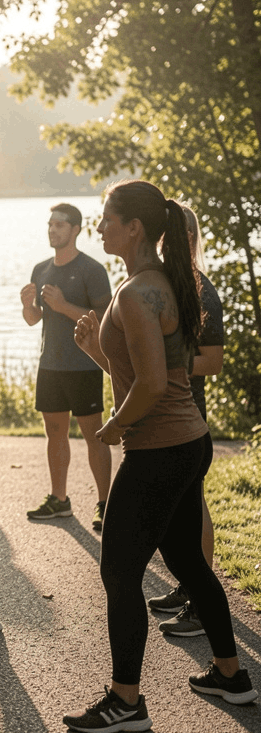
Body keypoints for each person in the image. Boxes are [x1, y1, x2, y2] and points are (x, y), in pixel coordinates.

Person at [62, 180, 255, 733]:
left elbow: (148, 386)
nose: (99, 228)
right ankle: (231, 675)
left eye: (105, 219)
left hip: (159, 451)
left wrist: (113, 426)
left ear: (134, 228)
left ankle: (125, 702)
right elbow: (151, 373)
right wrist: (97, 350)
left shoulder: (136, 292)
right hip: (186, 444)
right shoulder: (166, 282)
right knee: (189, 562)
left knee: (119, 571)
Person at [148, 203, 225, 637]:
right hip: (167, 416)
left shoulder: (200, 289)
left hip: (189, 417)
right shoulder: (167, 285)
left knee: (193, 509)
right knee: (178, 511)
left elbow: (212, 362)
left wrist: (160, 361)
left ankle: (200, 604)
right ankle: (188, 586)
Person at [21, 203, 113, 529]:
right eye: (50, 224)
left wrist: (62, 305)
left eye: (60, 225)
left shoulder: (92, 270)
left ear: (75, 230)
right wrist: (25, 306)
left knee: (94, 437)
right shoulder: (41, 269)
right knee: (55, 434)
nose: (52, 230)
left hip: (85, 365)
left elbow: (105, 320)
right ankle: (59, 500)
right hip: (50, 365)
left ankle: (105, 505)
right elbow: (34, 319)